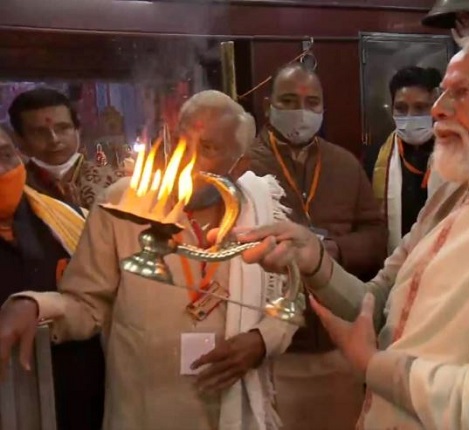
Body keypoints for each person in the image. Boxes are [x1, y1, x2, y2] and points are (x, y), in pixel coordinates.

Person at [235, 32, 469, 429]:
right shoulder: (455, 190)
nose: (438, 109)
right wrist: (314, 260)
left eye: (464, 92)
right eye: (443, 92)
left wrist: (374, 366)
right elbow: (380, 306)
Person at [0, 90, 296, 430]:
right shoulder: (123, 204)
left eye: (209, 149)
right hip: (144, 408)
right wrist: (36, 305)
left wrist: (262, 341)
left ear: (239, 162)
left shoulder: (262, 212)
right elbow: (85, 303)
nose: (186, 159)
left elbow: (290, 299)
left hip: (231, 408)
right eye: (181, 142)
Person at [248, 62, 387, 430]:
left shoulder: (344, 163)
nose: (301, 112)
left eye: (312, 102)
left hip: (338, 342)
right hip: (272, 348)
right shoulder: (243, 165)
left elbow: (376, 235)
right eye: (290, 100)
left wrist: (335, 251)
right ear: (268, 105)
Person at [0, 126, 105, 430]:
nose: (2, 169)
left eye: (6, 155)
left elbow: (97, 302)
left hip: (80, 401)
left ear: (20, 155)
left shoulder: (70, 220)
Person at [8, 87, 125, 209]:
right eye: (40, 132)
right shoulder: (13, 188)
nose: (54, 140)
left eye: (63, 128)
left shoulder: (114, 181)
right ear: (20, 139)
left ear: (77, 130)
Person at [372, 66, 443, 254]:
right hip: (394, 261)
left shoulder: (456, 154)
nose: (410, 116)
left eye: (420, 108)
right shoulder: (376, 156)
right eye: (401, 108)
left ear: (436, 106)